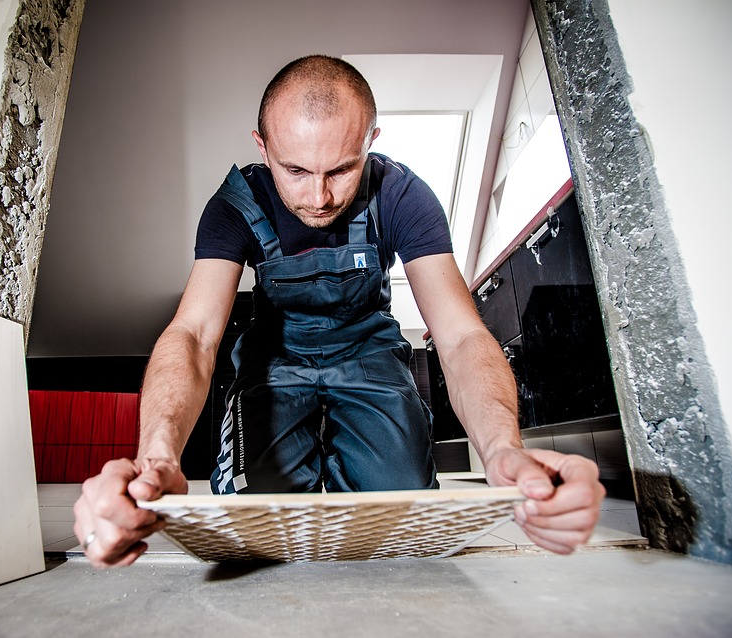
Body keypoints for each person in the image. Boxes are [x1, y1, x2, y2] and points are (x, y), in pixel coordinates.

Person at [74, 55, 605, 567]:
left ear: (370, 144)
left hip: (368, 351)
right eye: (297, 170)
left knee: (399, 519)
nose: (320, 197)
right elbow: (192, 334)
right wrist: (158, 457)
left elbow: (461, 334)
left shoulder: (402, 196)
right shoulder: (235, 206)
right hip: (275, 360)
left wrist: (501, 452)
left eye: (342, 169)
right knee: (261, 523)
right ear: (262, 147)